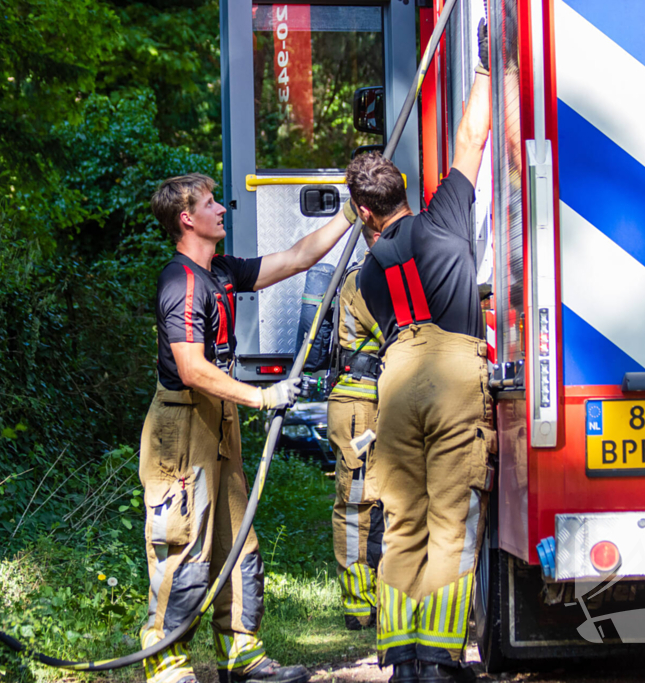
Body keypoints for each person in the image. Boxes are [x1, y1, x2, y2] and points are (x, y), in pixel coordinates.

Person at [140, 173, 355, 683]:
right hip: (182, 420)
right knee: (183, 542)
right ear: (186, 218)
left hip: (218, 417)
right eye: (211, 203)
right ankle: (166, 663)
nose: (221, 209)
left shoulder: (221, 271)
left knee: (237, 538)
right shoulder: (182, 282)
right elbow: (191, 368)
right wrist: (261, 396)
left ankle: (241, 654)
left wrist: (349, 214)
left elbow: (298, 258)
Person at [348, 26, 493, 683]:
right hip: (457, 369)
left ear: (363, 212)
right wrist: (489, 68)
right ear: (404, 189)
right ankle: (439, 659)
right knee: (450, 518)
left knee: (401, 519)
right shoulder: (445, 218)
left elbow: (390, 330)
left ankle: (402, 659)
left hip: (399, 374)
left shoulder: (371, 270)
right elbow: (470, 141)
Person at [328, 219, 384, 631]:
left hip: (385, 402)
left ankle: (385, 596)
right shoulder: (367, 279)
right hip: (359, 409)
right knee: (357, 505)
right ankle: (359, 604)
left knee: (390, 501)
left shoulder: (384, 274)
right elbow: (399, 334)